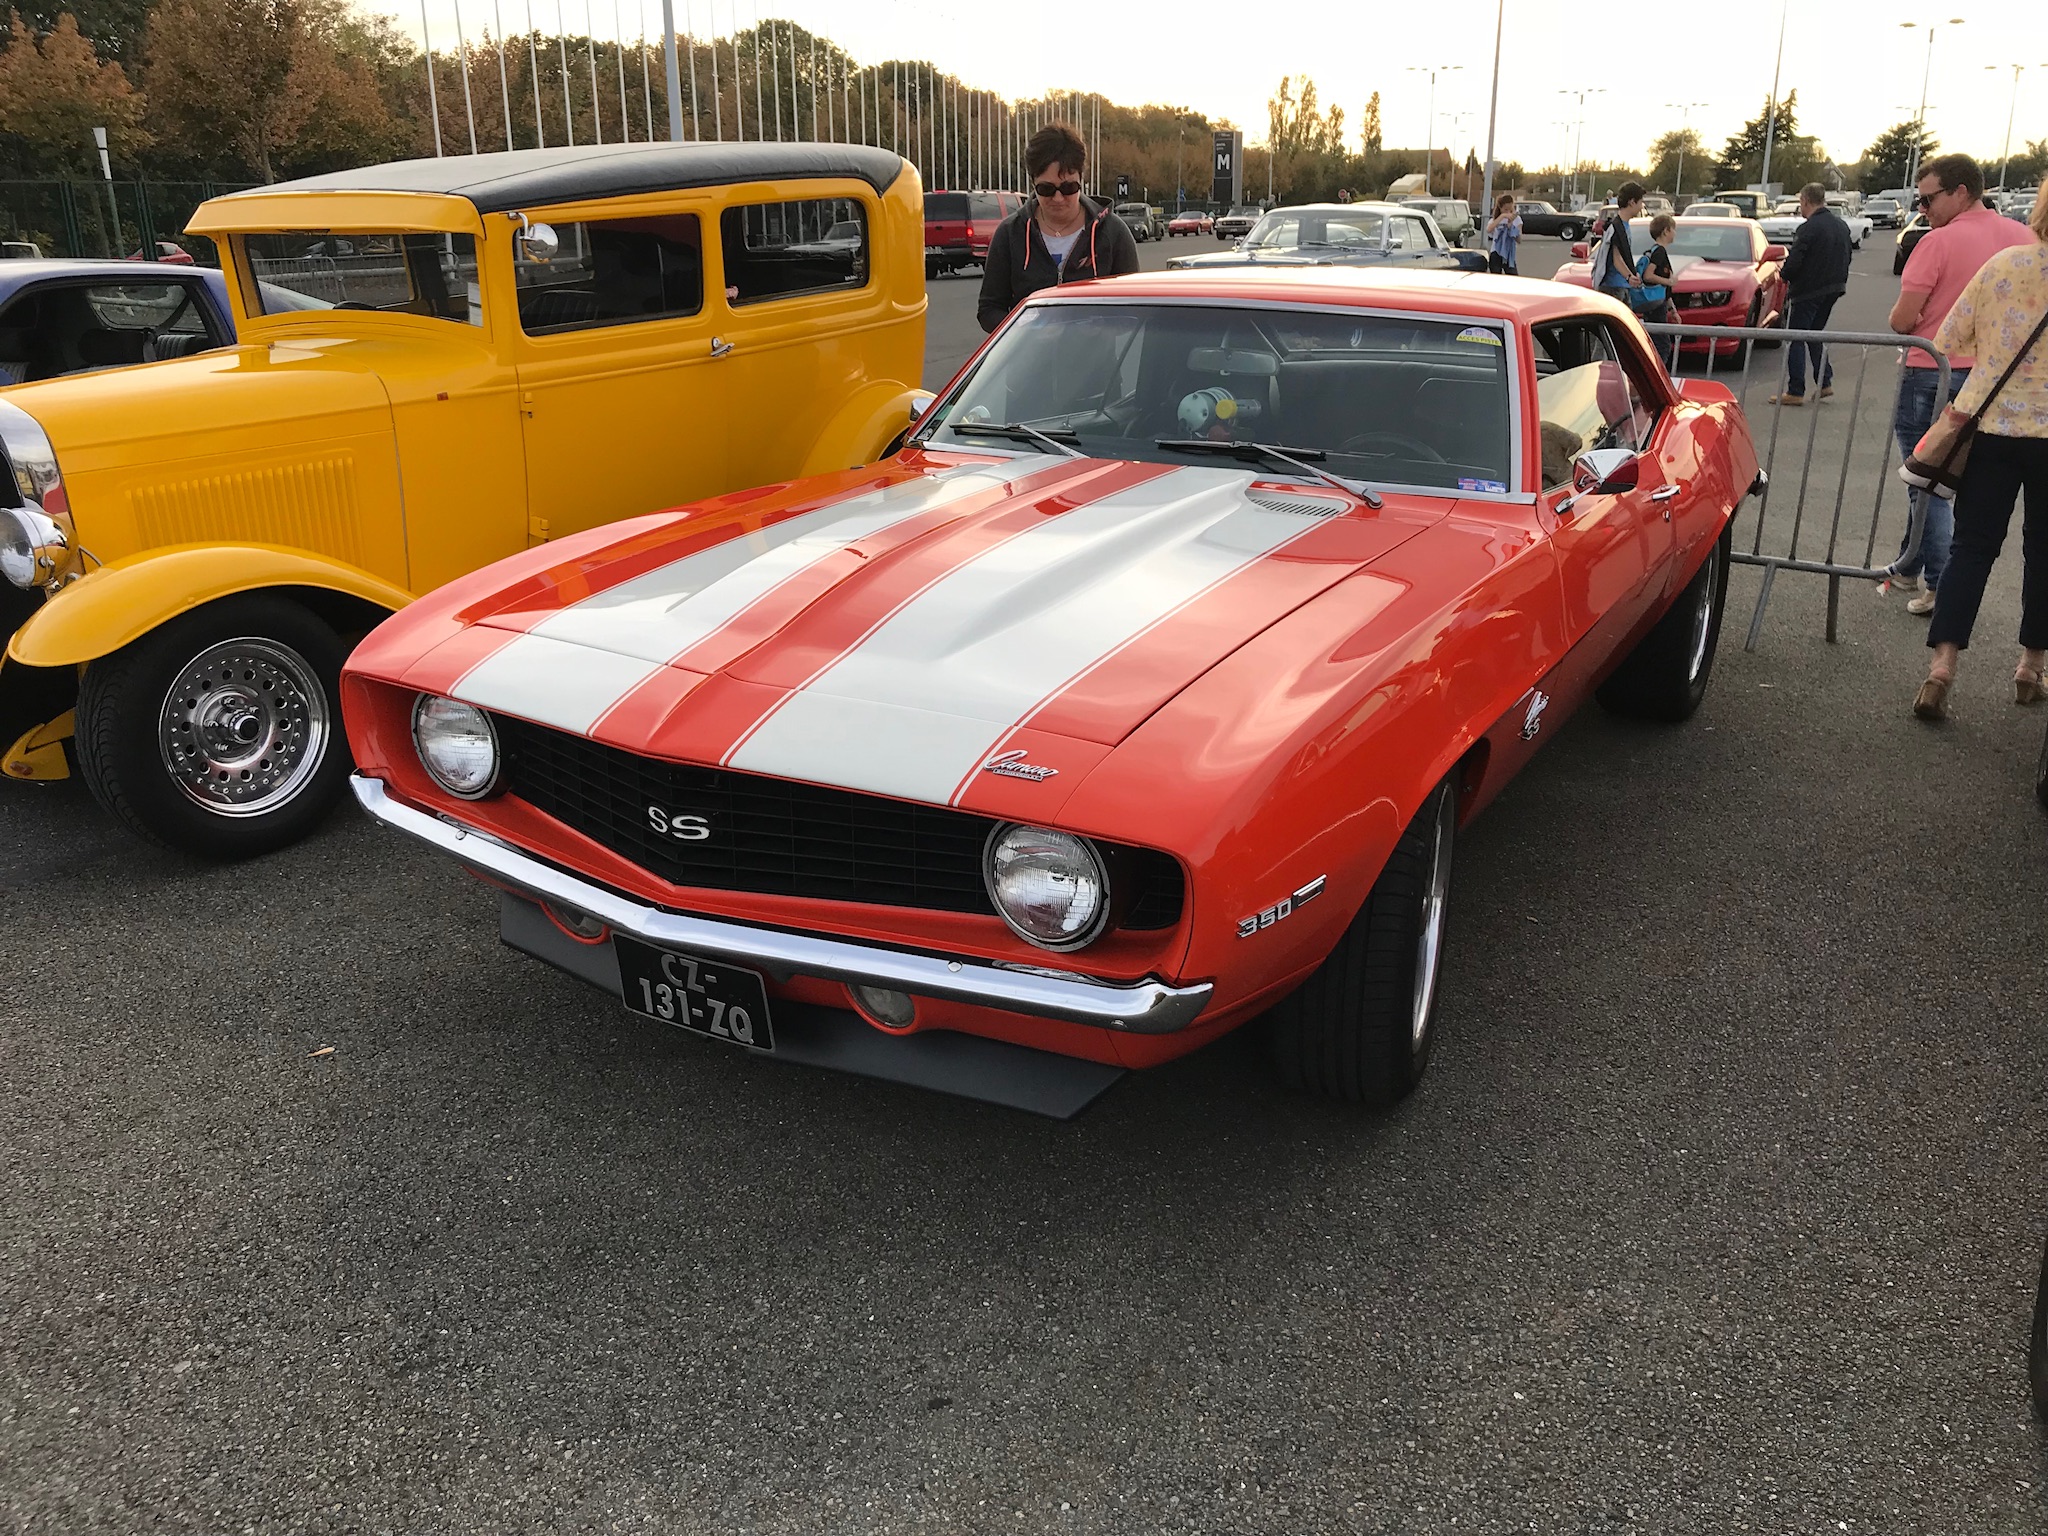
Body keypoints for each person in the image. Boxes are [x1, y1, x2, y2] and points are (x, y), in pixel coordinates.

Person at [1910, 182, 2048, 721]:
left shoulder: (2005, 265)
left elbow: (1950, 338)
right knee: (2044, 551)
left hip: (1992, 427)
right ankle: (2031, 665)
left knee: (1972, 546)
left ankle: (1942, 667)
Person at [1886, 153, 2037, 615]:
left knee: (1926, 476)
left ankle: (1938, 582)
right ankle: (1910, 564)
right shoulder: (2022, 237)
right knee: (1961, 478)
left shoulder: (1936, 242)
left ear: (1961, 192)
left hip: (1932, 370)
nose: (1922, 209)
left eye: (1929, 199)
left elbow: (1903, 320)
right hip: (1996, 379)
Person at [976, 123, 1141, 334]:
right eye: (1046, 189)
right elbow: (989, 309)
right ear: (1033, 183)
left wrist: (1095, 329)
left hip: (1096, 354)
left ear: (1081, 180)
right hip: (1030, 354)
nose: (1058, 198)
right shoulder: (1010, 233)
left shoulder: (1113, 233)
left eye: (1068, 187)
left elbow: (1134, 308)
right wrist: (1025, 330)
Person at [1767, 183, 1851, 407]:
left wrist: (1784, 274)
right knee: (1814, 333)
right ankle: (1824, 382)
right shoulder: (1841, 226)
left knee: (1795, 337)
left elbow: (1795, 261)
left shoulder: (1808, 228)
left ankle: (1796, 390)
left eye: (1800, 203)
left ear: (1805, 200)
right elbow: (1847, 256)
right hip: (1834, 288)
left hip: (1808, 291)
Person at [1588, 183, 1645, 303]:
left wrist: (1632, 273)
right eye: (1640, 202)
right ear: (1632, 202)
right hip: (1613, 287)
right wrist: (1629, 277)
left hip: (1621, 286)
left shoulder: (1622, 226)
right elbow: (1617, 258)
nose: (1641, 206)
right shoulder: (1616, 228)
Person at [1638, 214, 1678, 368]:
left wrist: (1673, 310)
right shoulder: (1660, 252)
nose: (1675, 233)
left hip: (1655, 302)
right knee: (1663, 345)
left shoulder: (1654, 250)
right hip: (1656, 305)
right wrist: (1669, 281)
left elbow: (1664, 290)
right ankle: (1657, 374)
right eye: (1673, 229)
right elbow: (1648, 276)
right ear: (1666, 231)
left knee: (1656, 342)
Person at [1485, 193, 1521, 276]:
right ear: (1500, 208)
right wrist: (1502, 216)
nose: (1508, 212)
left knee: (1513, 276)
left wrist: (1511, 227)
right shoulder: (1495, 220)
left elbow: (1519, 240)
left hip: (1509, 253)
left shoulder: (1517, 219)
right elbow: (1489, 229)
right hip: (1496, 252)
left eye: (1511, 210)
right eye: (1505, 210)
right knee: (1496, 277)